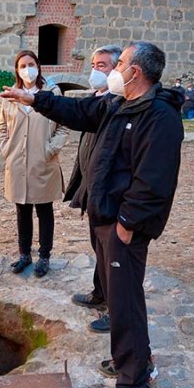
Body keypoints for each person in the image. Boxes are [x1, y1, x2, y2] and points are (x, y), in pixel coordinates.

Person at [1, 41, 184, 388]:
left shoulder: (159, 116)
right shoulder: (118, 103)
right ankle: (139, 361)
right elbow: (78, 109)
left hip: (123, 225)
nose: (115, 69)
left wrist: (128, 224)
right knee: (123, 299)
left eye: (122, 63)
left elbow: (155, 181)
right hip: (106, 217)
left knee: (125, 303)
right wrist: (34, 99)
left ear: (136, 72)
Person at [0, 50, 69, 278]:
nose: (27, 69)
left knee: (44, 210)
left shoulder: (52, 93)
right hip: (18, 162)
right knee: (22, 209)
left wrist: (51, 149)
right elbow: (2, 128)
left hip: (43, 161)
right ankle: (24, 255)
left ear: (38, 66)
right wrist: (6, 150)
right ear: (17, 70)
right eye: (22, 66)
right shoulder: (10, 95)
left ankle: (44, 256)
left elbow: (64, 126)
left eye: (31, 64)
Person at [68, 45, 120, 327]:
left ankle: (115, 312)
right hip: (92, 191)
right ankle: (100, 293)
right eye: (94, 64)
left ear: (116, 69)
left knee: (113, 256)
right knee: (98, 247)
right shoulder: (96, 99)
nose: (95, 70)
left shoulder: (117, 104)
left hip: (108, 196)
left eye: (102, 65)